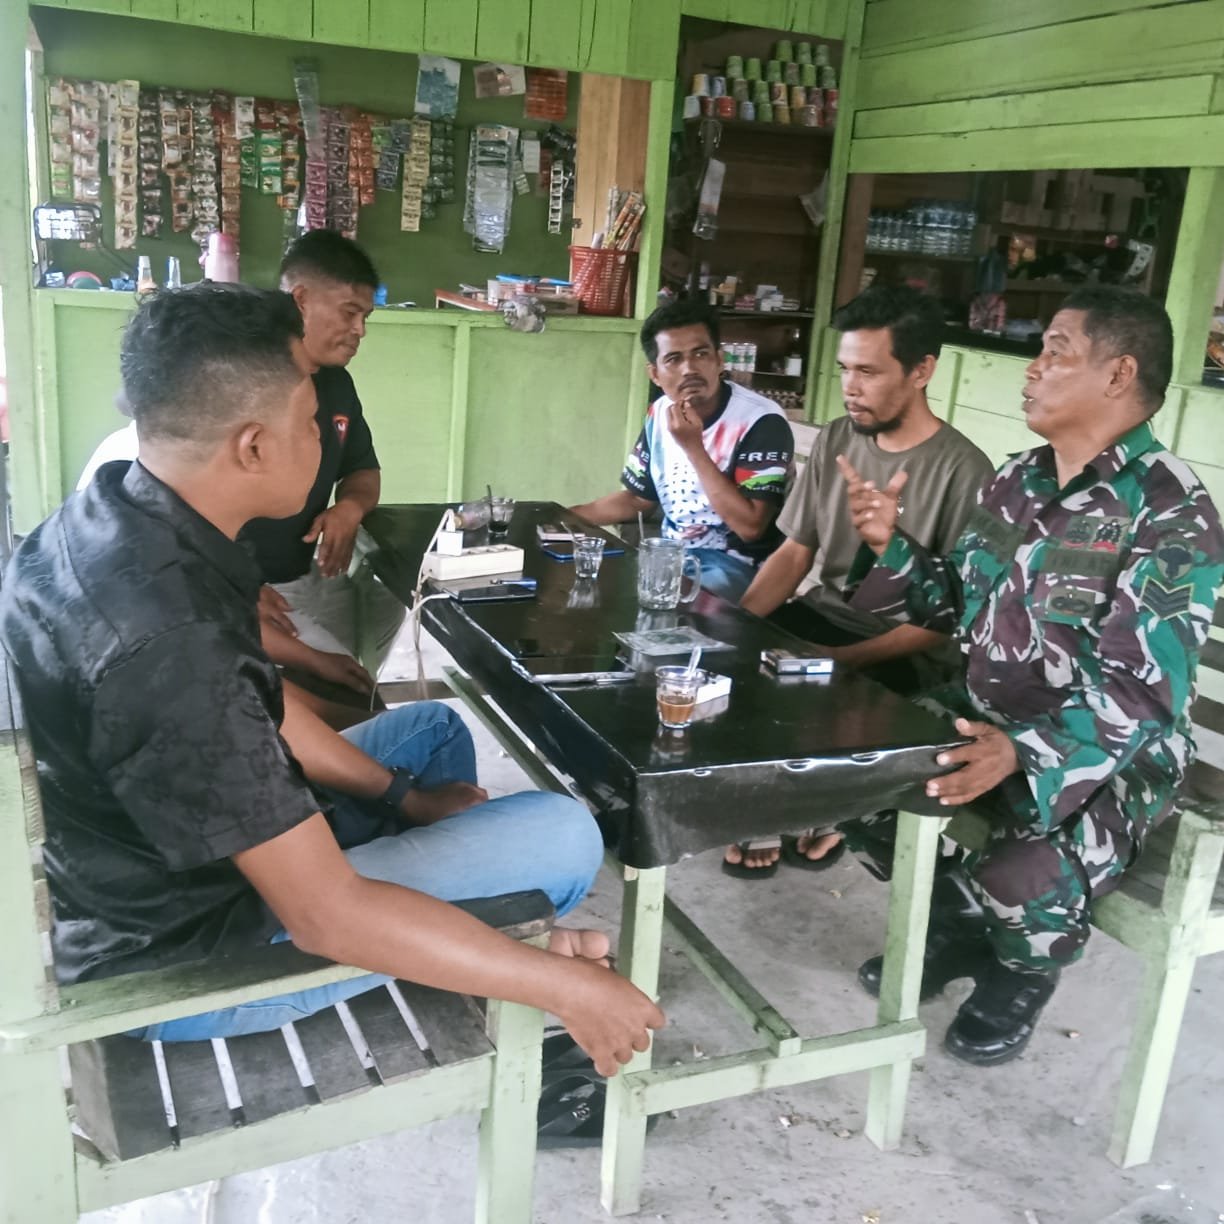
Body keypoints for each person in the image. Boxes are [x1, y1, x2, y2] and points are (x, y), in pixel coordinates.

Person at [0, 284, 664, 1071]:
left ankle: (442, 937)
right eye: (311, 423)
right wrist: (566, 987)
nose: (322, 440)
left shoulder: (115, 516)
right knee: (563, 832)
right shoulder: (172, 646)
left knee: (433, 729)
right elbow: (325, 915)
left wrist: (407, 798)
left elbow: (254, 713)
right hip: (192, 957)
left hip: (162, 858)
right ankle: (459, 950)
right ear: (253, 446)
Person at [839, 286, 1223, 1066]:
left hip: (1108, 755)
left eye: (1055, 350)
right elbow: (955, 603)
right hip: (984, 709)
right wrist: (891, 545)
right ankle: (954, 920)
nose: (1031, 368)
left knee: (1020, 873)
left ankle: (1023, 968)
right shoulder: (1018, 479)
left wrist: (1021, 752)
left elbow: (1143, 694)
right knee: (847, 764)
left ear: (1118, 374)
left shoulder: (1169, 513)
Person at [726, 286, 993, 878]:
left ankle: (824, 811)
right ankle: (786, 806)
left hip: (905, 647)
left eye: (868, 372)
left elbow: (946, 623)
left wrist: (837, 660)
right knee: (731, 671)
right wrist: (734, 625)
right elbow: (795, 552)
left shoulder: (966, 472)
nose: (850, 387)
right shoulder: (838, 438)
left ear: (921, 371)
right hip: (825, 616)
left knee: (824, 694)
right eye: (846, 369)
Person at [570, 299, 794, 602]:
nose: (689, 369)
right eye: (673, 359)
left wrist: (693, 448)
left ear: (719, 360)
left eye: (700, 354)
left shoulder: (760, 420)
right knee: (588, 587)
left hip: (737, 570)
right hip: (672, 559)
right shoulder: (661, 411)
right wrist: (562, 518)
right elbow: (638, 499)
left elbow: (750, 527)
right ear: (655, 374)